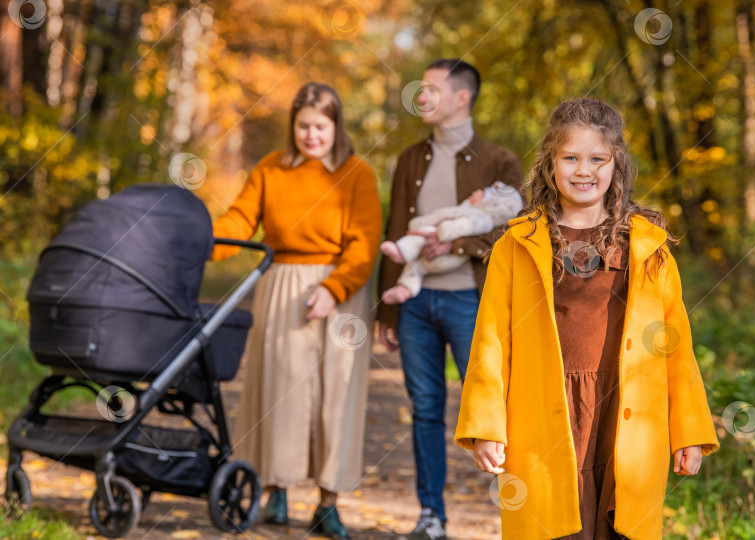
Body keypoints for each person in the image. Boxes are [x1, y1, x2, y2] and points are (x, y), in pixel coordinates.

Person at [454, 97, 719, 539]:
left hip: (626, 412)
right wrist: (486, 426)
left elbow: (675, 344)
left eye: (598, 158)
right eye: (570, 157)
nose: (584, 170)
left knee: (620, 525)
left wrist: (688, 429)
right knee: (553, 525)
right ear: (550, 164)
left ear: (616, 165)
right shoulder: (516, 246)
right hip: (543, 416)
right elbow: (491, 341)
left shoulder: (647, 247)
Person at [211, 82, 382, 540]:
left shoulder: (356, 173)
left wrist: (334, 288)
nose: (311, 135)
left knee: (336, 397)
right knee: (279, 391)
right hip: (282, 283)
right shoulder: (271, 169)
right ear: (293, 127)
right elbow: (240, 221)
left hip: (343, 293)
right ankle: (276, 489)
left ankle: (328, 503)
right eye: (303, 126)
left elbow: (364, 243)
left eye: (320, 127)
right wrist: (200, 240)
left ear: (335, 126)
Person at [378, 59, 523, 540]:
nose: (420, 97)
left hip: (471, 301)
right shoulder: (408, 160)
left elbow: (511, 228)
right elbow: (395, 231)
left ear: (461, 98)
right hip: (416, 302)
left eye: (431, 89)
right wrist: (388, 309)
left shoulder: (500, 162)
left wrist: (457, 244)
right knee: (424, 409)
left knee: (492, 412)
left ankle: (518, 515)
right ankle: (431, 516)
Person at [380, 181, 523, 304]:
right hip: (439, 259)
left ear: (490, 202)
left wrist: (440, 232)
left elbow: (465, 225)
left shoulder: (481, 217)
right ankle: (406, 288)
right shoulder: (469, 209)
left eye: (484, 193)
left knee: (419, 243)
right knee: (417, 265)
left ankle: (401, 251)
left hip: (447, 256)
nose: (478, 191)